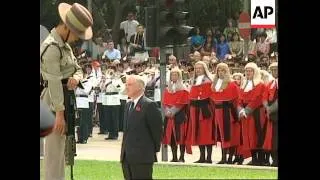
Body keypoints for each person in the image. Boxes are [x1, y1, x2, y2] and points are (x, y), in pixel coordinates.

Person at [40, 2, 93, 180]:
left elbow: (78, 68)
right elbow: (54, 81)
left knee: (63, 151)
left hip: (65, 99)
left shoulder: (64, 45)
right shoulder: (51, 47)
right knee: (54, 154)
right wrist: (59, 114)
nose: (77, 39)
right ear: (65, 27)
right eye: (76, 34)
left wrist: (76, 78)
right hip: (54, 103)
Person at [120, 75, 163, 180]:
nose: (126, 87)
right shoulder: (128, 105)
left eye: (129, 85)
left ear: (139, 87)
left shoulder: (149, 105)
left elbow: (157, 131)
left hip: (142, 156)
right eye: (126, 84)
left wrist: (152, 150)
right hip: (127, 156)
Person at [237, 62, 267, 166]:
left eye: (250, 71)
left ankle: (261, 159)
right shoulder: (244, 85)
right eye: (246, 71)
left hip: (256, 113)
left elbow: (257, 99)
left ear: (255, 72)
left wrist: (246, 110)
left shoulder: (260, 84)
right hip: (246, 115)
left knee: (257, 135)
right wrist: (240, 109)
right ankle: (254, 159)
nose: (248, 72)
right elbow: (239, 99)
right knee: (249, 137)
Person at [210, 63, 240, 164]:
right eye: (219, 70)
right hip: (218, 112)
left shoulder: (232, 84)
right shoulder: (214, 85)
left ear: (227, 71)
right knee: (221, 135)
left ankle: (230, 158)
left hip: (228, 113)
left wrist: (235, 115)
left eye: (223, 70)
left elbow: (236, 100)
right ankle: (223, 158)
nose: (221, 72)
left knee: (230, 135)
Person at [185, 61, 215, 163]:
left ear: (204, 69)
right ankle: (202, 157)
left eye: (200, 68)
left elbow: (211, 96)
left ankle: (209, 157)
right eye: (196, 68)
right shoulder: (193, 81)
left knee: (206, 133)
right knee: (198, 133)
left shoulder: (208, 81)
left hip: (205, 110)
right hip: (195, 110)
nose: (198, 70)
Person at [162, 68, 189, 162]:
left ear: (179, 76)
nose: (173, 77)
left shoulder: (183, 89)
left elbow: (182, 103)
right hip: (169, 117)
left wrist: (172, 111)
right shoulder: (167, 89)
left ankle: (182, 157)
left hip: (179, 116)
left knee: (181, 137)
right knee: (172, 137)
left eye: (175, 75)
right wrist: (167, 111)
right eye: (172, 75)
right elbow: (165, 102)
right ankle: (174, 157)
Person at [263, 62, 278, 166]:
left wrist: (271, 108)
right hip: (272, 115)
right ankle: (274, 159)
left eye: (276, 70)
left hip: (275, 112)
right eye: (272, 70)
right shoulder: (270, 83)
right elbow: (264, 97)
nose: (274, 72)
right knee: (272, 138)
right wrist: (267, 107)